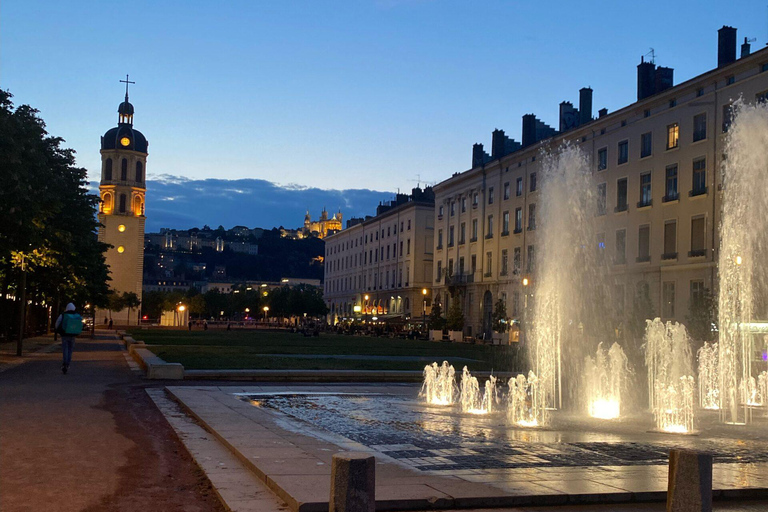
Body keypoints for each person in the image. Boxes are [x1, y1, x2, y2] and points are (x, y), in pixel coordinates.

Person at [55, 303, 82, 374]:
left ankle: (64, 363)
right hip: (73, 335)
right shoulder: (77, 315)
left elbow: (57, 323)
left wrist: (58, 330)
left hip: (64, 334)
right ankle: (68, 364)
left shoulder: (63, 315)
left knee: (65, 349)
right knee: (70, 350)